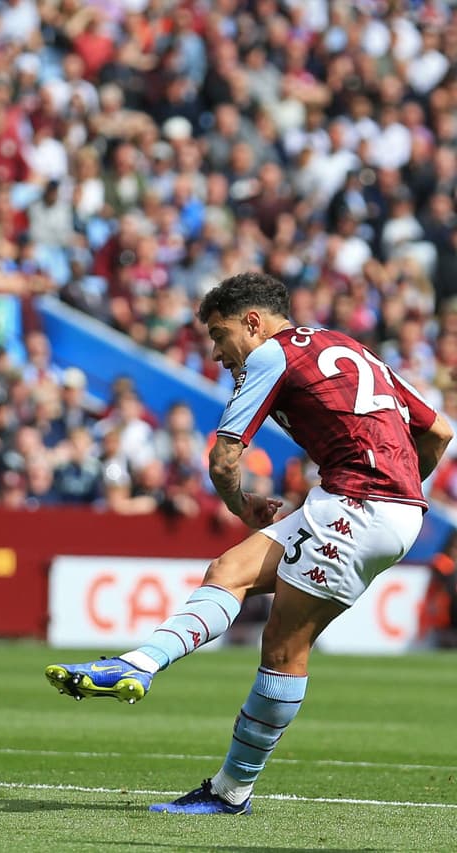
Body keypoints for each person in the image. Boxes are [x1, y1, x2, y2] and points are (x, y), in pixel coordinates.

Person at [45, 271, 453, 814]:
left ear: (253, 323)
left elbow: (223, 458)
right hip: (369, 506)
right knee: (228, 571)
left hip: (355, 506)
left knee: (284, 652)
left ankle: (231, 791)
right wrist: (400, 497)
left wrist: (241, 506)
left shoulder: (271, 355)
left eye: (219, 335)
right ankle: (138, 663)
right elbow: (439, 431)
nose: (217, 354)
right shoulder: (345, 344)